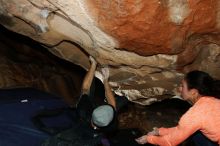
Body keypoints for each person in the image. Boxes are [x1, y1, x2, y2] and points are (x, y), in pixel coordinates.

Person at [42, 56, 126, 146]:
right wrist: (106, 80)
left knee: (57, 141)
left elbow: (85, 89)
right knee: (123, 100)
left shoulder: (83, 111)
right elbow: (112, 104)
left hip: (81, 133)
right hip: (94, 137)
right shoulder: (112, 126)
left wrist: (93, 64)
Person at [135, 70, 220, 146]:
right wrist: (159, 131)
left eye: (182, 86)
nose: (179, 89)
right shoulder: (215, 101)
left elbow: (170, 142)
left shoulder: (195, 114)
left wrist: (149, 139)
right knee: (196, 133)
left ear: (193, 92)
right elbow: (181, 129)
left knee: (195, 135)